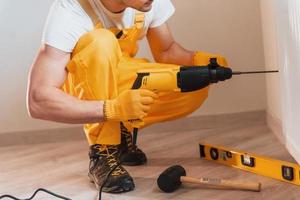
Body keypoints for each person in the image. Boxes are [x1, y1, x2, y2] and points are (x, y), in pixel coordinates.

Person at [27, 0, 228, 194]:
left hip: (121, 76)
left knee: (194, 83)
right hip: (84, 87)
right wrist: (112, 109)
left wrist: (200, 62)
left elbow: (166, 51)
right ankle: (103, 151)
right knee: (101, 40)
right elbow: (39, 100)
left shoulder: (147, 3)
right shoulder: (70, 10)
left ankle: (121, 129)